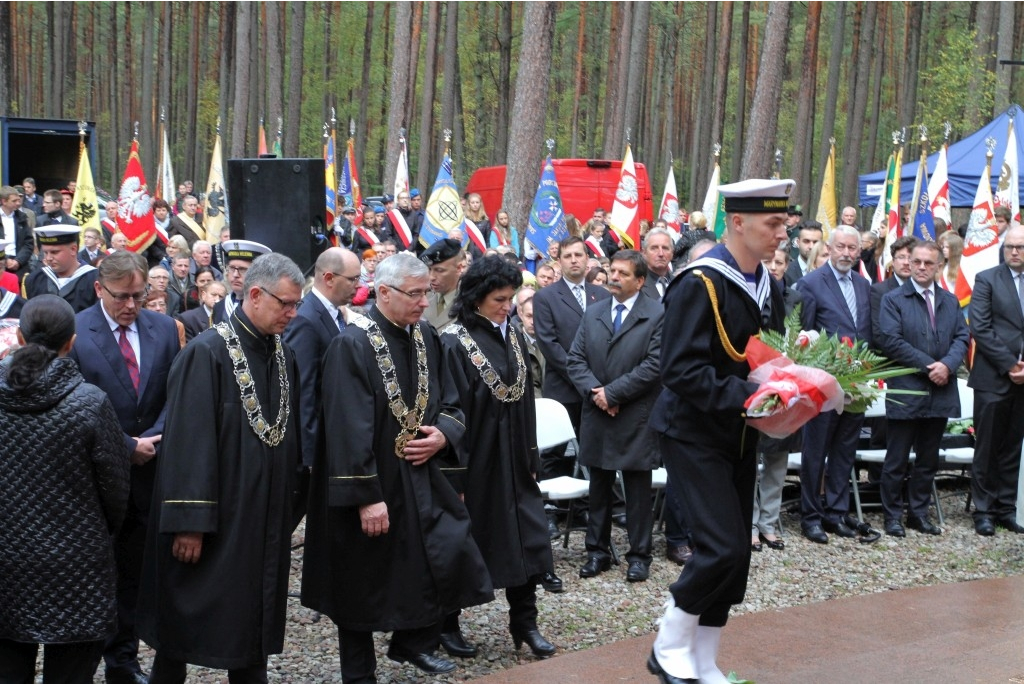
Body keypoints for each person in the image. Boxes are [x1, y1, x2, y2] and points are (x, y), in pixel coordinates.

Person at [302, 252, 493, 682]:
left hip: (421, 476)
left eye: (427, 292)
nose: (425, 302)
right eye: (415, 294)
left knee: (438, 556)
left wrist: (444, 434)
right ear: (384, 293)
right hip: (372, 482)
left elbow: (452, 402)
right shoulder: (350, 345)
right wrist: (367, 497)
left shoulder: (426, 337)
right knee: (361, 580)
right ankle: (359, 672)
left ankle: (412, 641)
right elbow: (346, 428)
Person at [138, 252, 304, 682]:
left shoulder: (283, 355)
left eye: (296, 305)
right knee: (182, 623)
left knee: (251, 618)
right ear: (254, 294)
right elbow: (187, 443)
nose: (292, 313)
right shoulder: (206, 353)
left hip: (259, 517)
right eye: (285, 303)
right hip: (214, 518)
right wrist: (189, 522)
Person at [647, 179, 788, 684]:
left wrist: (795, 376)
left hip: (740, 433)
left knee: (736, 559)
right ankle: (667, 646)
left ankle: (703, 661)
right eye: (772, 224)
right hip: (692, 431)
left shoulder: (766, 282)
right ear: (738, 223)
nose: (781, 233)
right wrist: (751, 397)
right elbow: (679, 371)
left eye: (783, 223)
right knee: (721, 546)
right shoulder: (700, 281)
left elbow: (763, 353)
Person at [0, 295, 129, 683]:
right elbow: (116, 492)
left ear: (19, 337)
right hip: (77, 566)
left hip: (6, 562)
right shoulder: (89, 403)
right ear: (71, 342)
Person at [68, 250, 180, 683]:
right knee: (100, 579)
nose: (132, 305)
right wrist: (125, 445)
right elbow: (74, 405)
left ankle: (125, 663)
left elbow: (175, 392)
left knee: (136, 575)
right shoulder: (77, 332)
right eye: (122, 297)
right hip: (96, 482)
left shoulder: (165, 330)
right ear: (99, 289)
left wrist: (152, 436)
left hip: (152, 474)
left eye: (140, 295)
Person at [438, 255, 557, 660]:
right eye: (499, 300)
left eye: (510, 299)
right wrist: (454, 479)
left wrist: (530, 455)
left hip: (514, 459)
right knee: (464, 542)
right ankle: (447, 623)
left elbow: (524, 401)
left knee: (526, 538)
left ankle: (525, 622)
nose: (507, 307)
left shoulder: (515, 338)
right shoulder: (453, 342)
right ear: (476, 298)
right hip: (476, 463)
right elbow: (449, 411)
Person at [567, 249, 663, 583]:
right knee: (599, 487)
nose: (614, 278)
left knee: (637, 489)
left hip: (635, 414)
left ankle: (639, 555)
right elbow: (575, 359)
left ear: (640, 280)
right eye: (612, 271)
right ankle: (597, 552)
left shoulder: (656, 314)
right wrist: (598, 392)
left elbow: (654, 365)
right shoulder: (593, 312)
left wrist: (615, 393)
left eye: (623, 274)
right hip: (598, 412)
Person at [877, 241, 969, 537]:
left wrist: (948, 365)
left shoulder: (950, 300)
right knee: (897, 459)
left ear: (939, 266)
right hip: (907, 389)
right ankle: (892, 516)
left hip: (940, 391)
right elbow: (891, 341)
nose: (920, 267)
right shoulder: (893, 300)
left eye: (928, 263)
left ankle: (918, 513)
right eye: (916, 262)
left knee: (928, 459)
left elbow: (962, 337)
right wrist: (931, 366)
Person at [794, 225, 873, 544]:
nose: (846, 253)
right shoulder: (810, 284)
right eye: (840, 247)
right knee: (815, 452)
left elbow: (865, 330)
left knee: (844, 451)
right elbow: (803, 335)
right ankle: (811, 516)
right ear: (830, 247)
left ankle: (836, 513)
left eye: (852, 248)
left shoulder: (865, 285)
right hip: (823, 385)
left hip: (857, 383)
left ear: (858, 251)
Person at [282, 247, 362, 529]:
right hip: (311, 451)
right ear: (329, 277)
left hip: (330, 441)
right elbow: (302, 390)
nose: (358, 285)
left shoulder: (332, 314)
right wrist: (309, 456)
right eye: (352, 279)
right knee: (287, 517)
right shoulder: (307, 319)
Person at [967, 225, 1024, 536]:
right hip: (993, 377)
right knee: (987, 447)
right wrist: (1010, 365)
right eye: (1009, 246)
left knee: (1013, 446)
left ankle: (1006, 508)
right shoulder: (987, 278)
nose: (1014, 251)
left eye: (1020, 247)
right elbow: (981, 327)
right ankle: (984, 510)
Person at [752, 245, 804, 553]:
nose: (774, 266)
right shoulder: (750, 295)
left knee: (777, 460)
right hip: (755, 385)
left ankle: (768, 524)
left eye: (779, 262)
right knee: (750, 461)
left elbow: (802, 338)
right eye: (768, 261)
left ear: (787, 266)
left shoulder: (795, 300)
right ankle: (749, 524)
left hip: (786, 387)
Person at [24, 226, 99, 312]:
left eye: (54, 252)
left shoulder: (95, 279)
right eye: (45, 252)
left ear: (73, 249)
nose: (48, 258)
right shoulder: (35, 279)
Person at [212, 240, 272, 325]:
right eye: (232, 268)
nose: (236, 274)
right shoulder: (219, 307)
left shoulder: (266, 307)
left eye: (243, 269)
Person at [421, 238, 465, 330]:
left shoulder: (470, 304)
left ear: (459, 268)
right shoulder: (422, 299)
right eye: (429, 269)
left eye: (439, 270)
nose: (431, 277)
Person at [0, 185, 33, 277]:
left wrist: (18, 261)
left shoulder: (22, 218)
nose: (18, 203)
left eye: (18, 200)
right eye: (14, 201)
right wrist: (5, 260)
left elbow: (29, 243)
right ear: (4, 201)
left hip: (19, 265)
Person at [640, 228, 674, 301]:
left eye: (665, 248)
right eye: (654, 248)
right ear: (644, 253)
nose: (661, 254)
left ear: (672, 253)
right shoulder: (636, 285)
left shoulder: (680, 284)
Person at [784, 221, 822, 286]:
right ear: (798, 243)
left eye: (815, 242)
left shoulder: (829, 271)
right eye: (806, 241)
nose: (811, 247)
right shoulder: (786, 272)